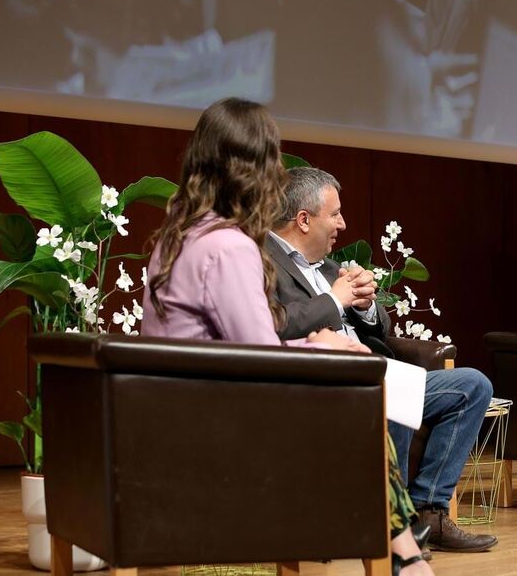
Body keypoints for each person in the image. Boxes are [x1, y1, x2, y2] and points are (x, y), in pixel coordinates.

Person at [141, 97, 433, 575]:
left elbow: (236, 347)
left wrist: (314, 345)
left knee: (352, 387)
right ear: (253, 169)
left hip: (178, 413)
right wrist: (323, 348)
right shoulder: (229, 246)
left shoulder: (175, 238)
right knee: (358, 405)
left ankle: (401, 550)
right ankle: (402, 555)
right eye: (273, 160)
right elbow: (263, 362)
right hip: (218, 431)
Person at [266, 167, 498, 553]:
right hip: (326, 382)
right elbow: (275, 323)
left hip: (374, 371)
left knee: (472, 385)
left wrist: (368, 306)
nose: (343, 223)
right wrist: (334, 301)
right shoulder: (263, 262)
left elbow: (380, 331)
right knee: (393, 395)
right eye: (335, 214)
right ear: (304, 220)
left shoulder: (328, 265)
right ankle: (394, 524)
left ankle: (429, 511)